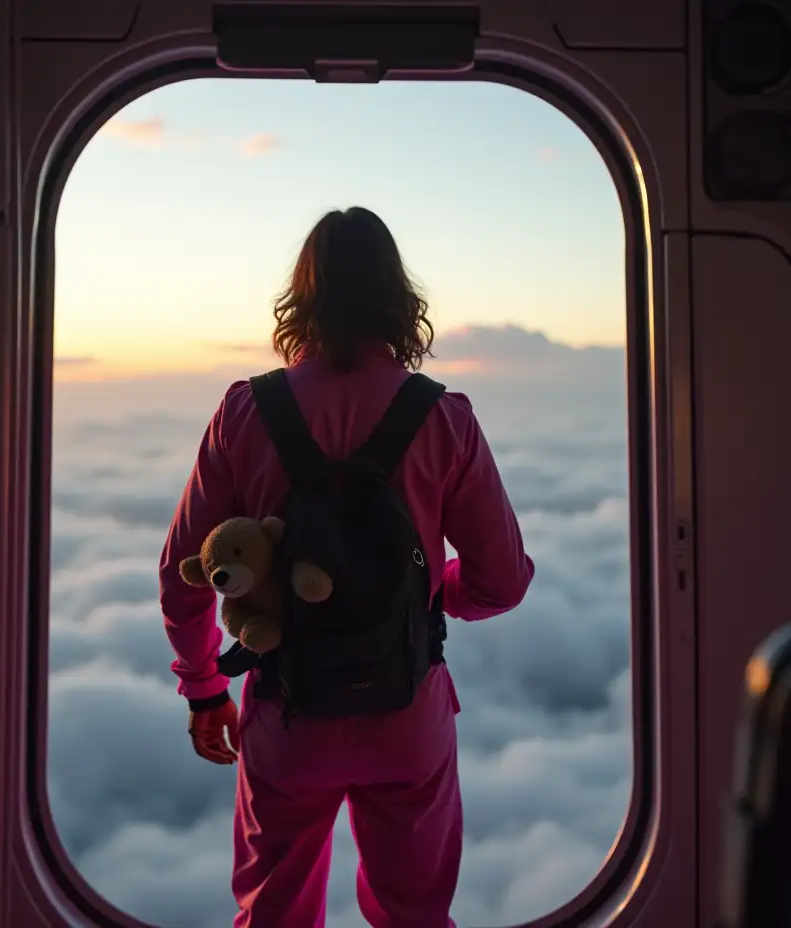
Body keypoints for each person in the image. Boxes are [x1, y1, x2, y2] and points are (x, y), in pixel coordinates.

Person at [159, 206, 534, 928]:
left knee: (274, 917)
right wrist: (428, 593)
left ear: (301, 298)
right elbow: (503, 583)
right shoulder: (444, 418)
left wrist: (205, 690)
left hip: (287, 717)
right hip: (408, 716)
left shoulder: (244, 412)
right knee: (415, 917)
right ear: (399, 298)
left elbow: (187, 572)